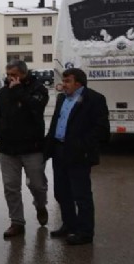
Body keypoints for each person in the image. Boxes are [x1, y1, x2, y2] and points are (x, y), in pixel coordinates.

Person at [45, 68, 109, 245]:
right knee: (61, 192)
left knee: (81, 195)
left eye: (67, 81)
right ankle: (69, 225)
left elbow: (102, 130)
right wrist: (48, 147)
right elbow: (55, 124)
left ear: (78, 83)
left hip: (79, 154)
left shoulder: (94, 99)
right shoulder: (61, 98)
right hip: (59, 151)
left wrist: (82, 145)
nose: (63, 85)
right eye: (63, 81)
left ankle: (85, 232)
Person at [0, 60, 49, 238]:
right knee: (11, 187)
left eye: (14, 75)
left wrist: (18, 91)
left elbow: (36, 107)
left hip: (32, 148)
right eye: (8, 75)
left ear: (23, 74)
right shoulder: (2, 93)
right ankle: (17, 222)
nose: (10, 78)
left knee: (37, 185)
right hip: (8, 149)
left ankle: (40, 205)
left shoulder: (38, 89)